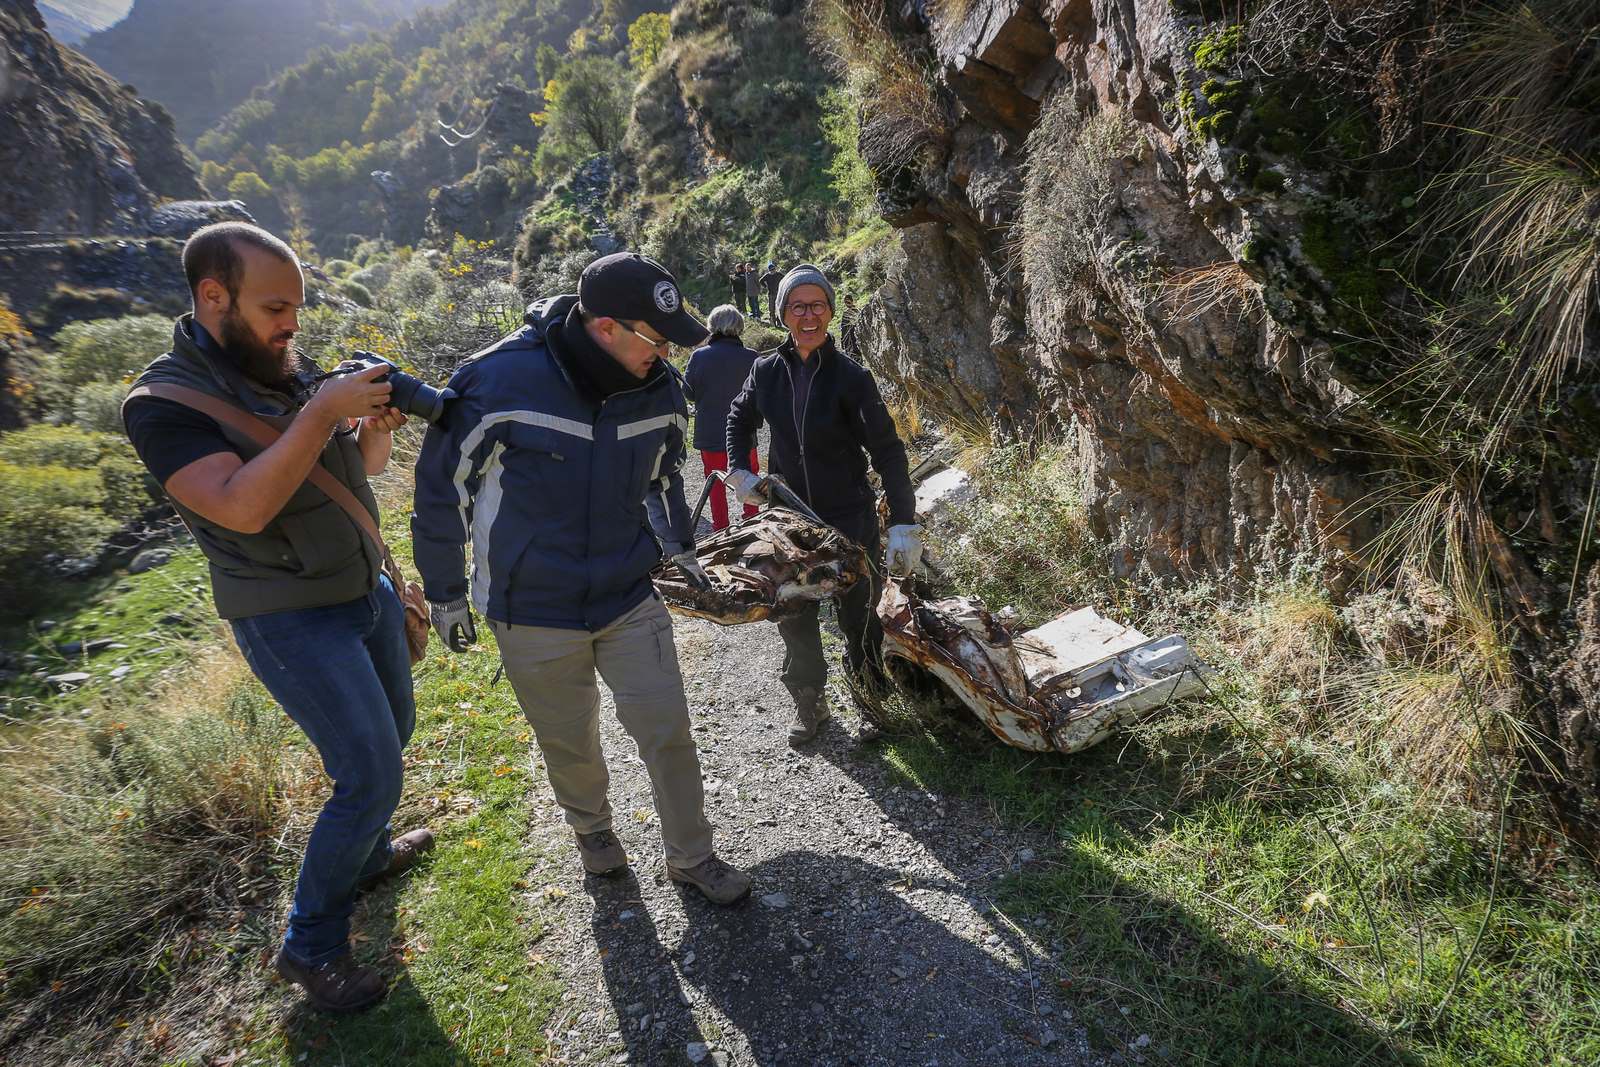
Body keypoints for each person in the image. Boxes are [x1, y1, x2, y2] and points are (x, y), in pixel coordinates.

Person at [120, 222, 432, 1014]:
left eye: (296, 306)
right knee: (367, 771)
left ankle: (361, 859)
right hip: (292, 617)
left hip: (364, 589)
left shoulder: (280, 366)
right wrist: (322, 411)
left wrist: (364, 428)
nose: (292, 324)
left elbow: (355, 472)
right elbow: (243, 504)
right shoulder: (161, 404)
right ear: (213, 296)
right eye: (275, 307)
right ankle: (311, 947)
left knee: (391, 737)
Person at [411, 251, 752, 905]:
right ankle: (593, 831)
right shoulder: (496, 381)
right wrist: (446, 591)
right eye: (656, 340)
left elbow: (663, 480)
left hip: (628, 595)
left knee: (668, 729)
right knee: (568, 737)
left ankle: (693, 855)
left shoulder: (659, 392)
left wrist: (681, 550)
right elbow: (439, 491)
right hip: (531, 607)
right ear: (604, 328)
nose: (666, 356)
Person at [725, 264, 922, 746]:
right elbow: (738, 415)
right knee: (794, 612)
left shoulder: (852, 377)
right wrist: (740, 471)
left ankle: (871, 702)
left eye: (817, 305)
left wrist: (902, 524)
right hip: (788, 520)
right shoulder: (765, 370)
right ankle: (810, 703)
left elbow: (888, 450)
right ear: (783, 314)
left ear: (830, 312)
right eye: (797, 306)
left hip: (848, 516)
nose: (808, 315)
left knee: (860, 614)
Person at [684, 304, 761, 531]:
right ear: (739, 327)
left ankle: (721, 526)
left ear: (712, 327)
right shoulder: (752, 357)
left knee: (715, 481)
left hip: (710, 430)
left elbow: (688, 393)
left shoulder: (699, 356)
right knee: (749, 474)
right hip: (744, 430)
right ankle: (752, 519)